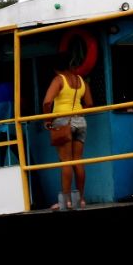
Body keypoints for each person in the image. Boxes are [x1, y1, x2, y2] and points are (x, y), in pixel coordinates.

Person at [41, 50, 94, 210]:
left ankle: (66, 202)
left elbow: (47, 102)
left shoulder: (59, 80)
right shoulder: (80, 80)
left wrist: (48, 120)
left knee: (66, 161)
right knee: (78, 161)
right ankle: (80, 200)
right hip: (81, 120)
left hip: (63, 121)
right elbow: (90, 103)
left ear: (55, 68)